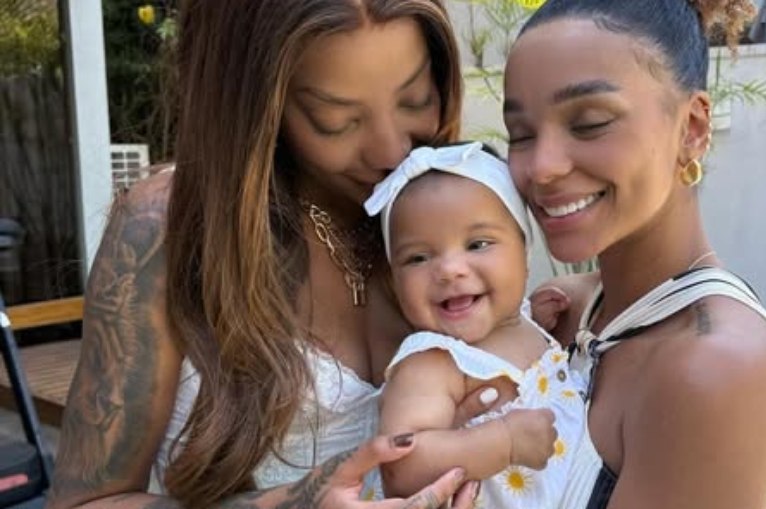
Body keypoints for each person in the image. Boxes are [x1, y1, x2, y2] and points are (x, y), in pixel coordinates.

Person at [45, 1, 552, 507]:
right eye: (336, 119)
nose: (391, 150)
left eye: (416, 99)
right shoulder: (166, 229)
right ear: (255, 104)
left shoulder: (456, 203)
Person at [506, 1, 766, 508]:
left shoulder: (714, 368)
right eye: (522, 134)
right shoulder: (569, 310)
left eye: (590, 122)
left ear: (692, 128)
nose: (542, 166)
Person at [363, 142, 599, 508]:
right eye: (418, 257)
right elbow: (400, 466)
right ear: (394, 280)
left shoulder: (522, 324)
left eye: (477, 244)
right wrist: (502, 441)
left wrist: (532, 320)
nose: (448, 269)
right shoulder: (434, 362)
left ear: (524, 251)